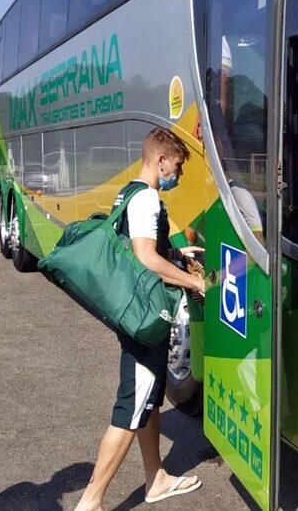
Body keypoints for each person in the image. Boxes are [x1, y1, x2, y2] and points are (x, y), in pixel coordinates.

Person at [75, 126, 205, 511]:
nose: (177, 176)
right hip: (145, 318)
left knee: (148, 402)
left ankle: (156, 478)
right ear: (160, 159)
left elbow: (141, 250)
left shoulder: (127, 192)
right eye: (177, 167)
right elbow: (146, 258)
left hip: (132, 311)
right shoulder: (147, 198)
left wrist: (177, 254)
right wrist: (193, 281)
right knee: (131, 407)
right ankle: (91, 501)